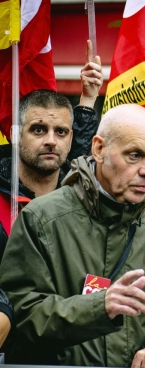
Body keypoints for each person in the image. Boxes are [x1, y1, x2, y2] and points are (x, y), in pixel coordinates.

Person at [0, 104, 145, 368]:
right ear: (98, 148)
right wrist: (100, 307)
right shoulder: (41, 218)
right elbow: (21, 317)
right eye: (134, 155)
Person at [0, 40, 103, 240]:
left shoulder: (85, 201)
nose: (51, 141)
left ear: (71, 137)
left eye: (61, 132)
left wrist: (89, 100)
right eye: (38, 130)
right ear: (15, 135)